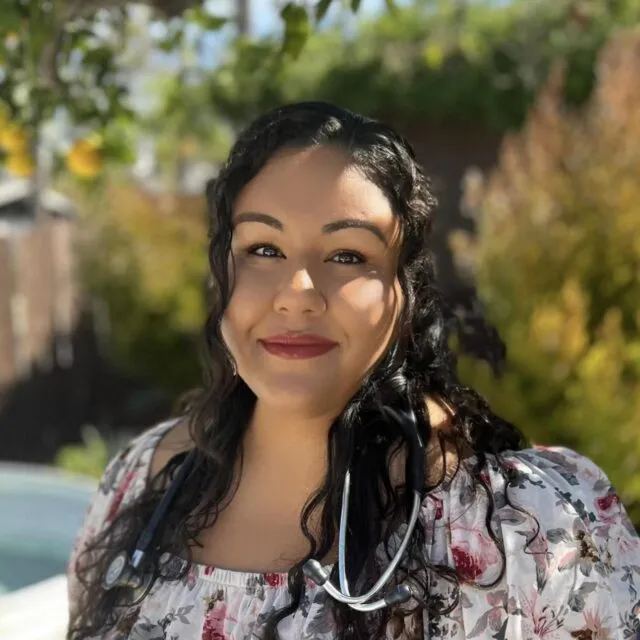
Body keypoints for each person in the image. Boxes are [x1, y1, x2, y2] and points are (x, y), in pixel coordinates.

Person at [66, 101, 640, 640]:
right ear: (222, 273)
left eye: (348, 256)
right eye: (264, 249)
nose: (297, 294)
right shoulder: (140, 482)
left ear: (405, 293)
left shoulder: (531, 528)